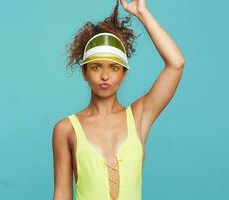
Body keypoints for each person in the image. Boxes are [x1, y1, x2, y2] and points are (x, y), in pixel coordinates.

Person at [52, 0, 185, 199]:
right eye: (96, 67)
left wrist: (142, 14)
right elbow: (62, 194)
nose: (105, 76)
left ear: (123, 74)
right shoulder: (66, 129)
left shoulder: (138, 117)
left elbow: (176, 64)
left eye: (113, 68)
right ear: (84, 73)